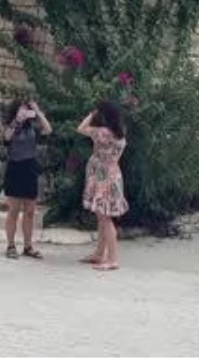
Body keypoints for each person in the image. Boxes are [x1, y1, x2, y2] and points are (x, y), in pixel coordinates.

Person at [77, 102, 128, 271]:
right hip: (112, 176)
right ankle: (99, 253)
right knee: (103, 217)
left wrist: (91, 115)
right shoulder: (120, 134)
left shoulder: (102, 133)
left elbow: (81, 128)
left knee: (105, 218)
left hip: (102, 178)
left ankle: (112, 258)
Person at [0, 99, 52, 260]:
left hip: (30, 168)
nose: (25, 112)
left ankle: (28, 246)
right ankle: (10, 245)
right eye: (22, 109)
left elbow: (48, 130)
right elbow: (6, 138)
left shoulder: (32, 127)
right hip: (15, 167)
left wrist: (38, 111)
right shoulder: (11, 125)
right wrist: (17, 121)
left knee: (29, 211)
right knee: (13, 210)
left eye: (26, 110)